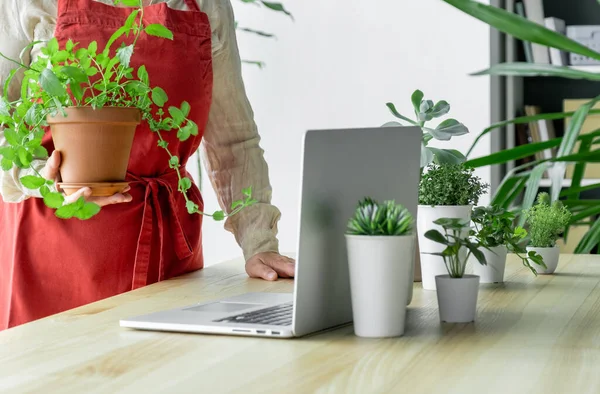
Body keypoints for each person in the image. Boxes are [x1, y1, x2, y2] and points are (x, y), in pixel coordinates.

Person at [0, 0, 295, 330]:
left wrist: (259, 244)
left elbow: (233, 140)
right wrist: (40, 175)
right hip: (51, 247)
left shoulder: (206, 5)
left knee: (162, 373)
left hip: (165, 251)